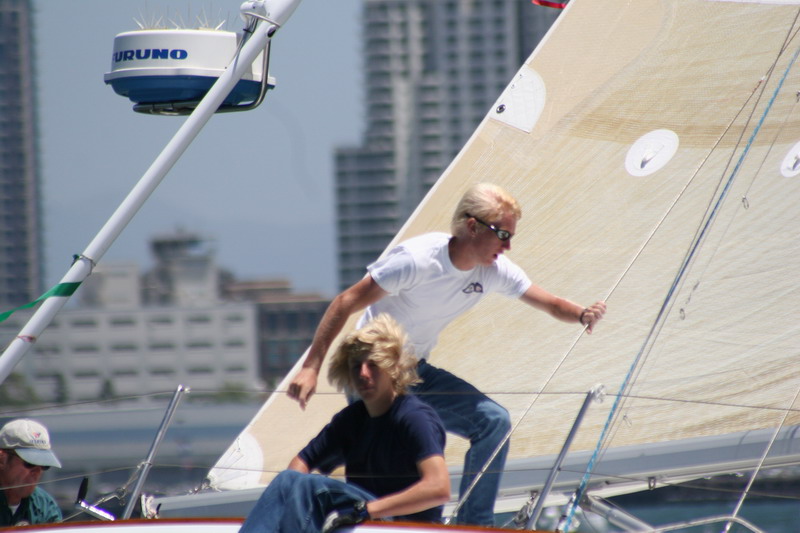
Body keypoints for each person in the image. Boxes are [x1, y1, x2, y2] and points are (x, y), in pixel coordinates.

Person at [288, 182, 606, 526]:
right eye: (502, 234)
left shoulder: (494, 270)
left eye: (511, 236)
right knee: (370, 464)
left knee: (493, 422)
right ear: (472, 226)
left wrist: (581, 314)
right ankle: (302, 511)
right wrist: (311, 367)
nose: (508, 245)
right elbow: (345, 302)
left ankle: (474, 526)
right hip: (372, 373)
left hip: (414, 372)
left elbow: (550, 303)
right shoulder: (417, 260)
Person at [239, 314, 450, 533]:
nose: (363, 374)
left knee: (312, 487)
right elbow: (301, 463)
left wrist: (365, 510)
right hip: (366, 518)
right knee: (287, 479)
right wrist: (291, 496)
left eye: (373, 365)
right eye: (356, 366)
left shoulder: (414, 417)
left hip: (404, 525)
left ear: (393, 368)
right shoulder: (351, 420)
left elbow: (439, 488)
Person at [0, 419, 63, 526]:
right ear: (2, 459)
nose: (37, 471)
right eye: (30, 463)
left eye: (44, 465)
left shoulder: (45, 505)